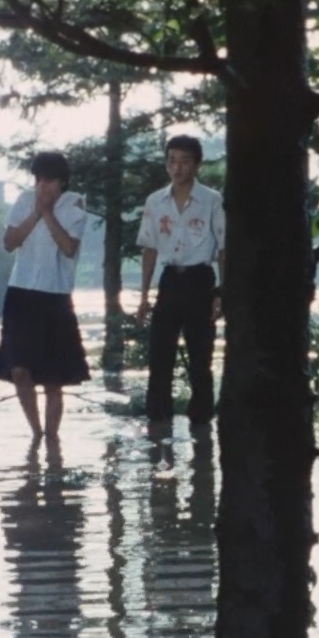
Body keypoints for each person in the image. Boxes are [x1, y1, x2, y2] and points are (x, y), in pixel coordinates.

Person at [0, 150, 90, 439]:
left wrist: (48, 213)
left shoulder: (74, 204)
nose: (42, 186)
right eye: (38, 180)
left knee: (53, 377)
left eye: (49, 180)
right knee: (19, 370)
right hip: (21, 292)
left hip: (54, 295)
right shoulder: (24, 200)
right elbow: (9, 242)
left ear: (62, 181)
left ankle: (52, 437)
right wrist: (36, 212)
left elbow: (69, 247)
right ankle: (36, 432)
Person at [134, 135, 225, 426]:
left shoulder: (211, 200)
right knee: (160, 357)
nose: (177, 168)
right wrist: (144, 296)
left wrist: (221, 293)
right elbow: (149, 248)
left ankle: (202, 428)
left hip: (201, 280)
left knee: (201, 359)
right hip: (170, 279)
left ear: (197, 164)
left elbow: (224, 248)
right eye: (172, 161)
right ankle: (158, 426)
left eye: (185, 161)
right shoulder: (155, 201)